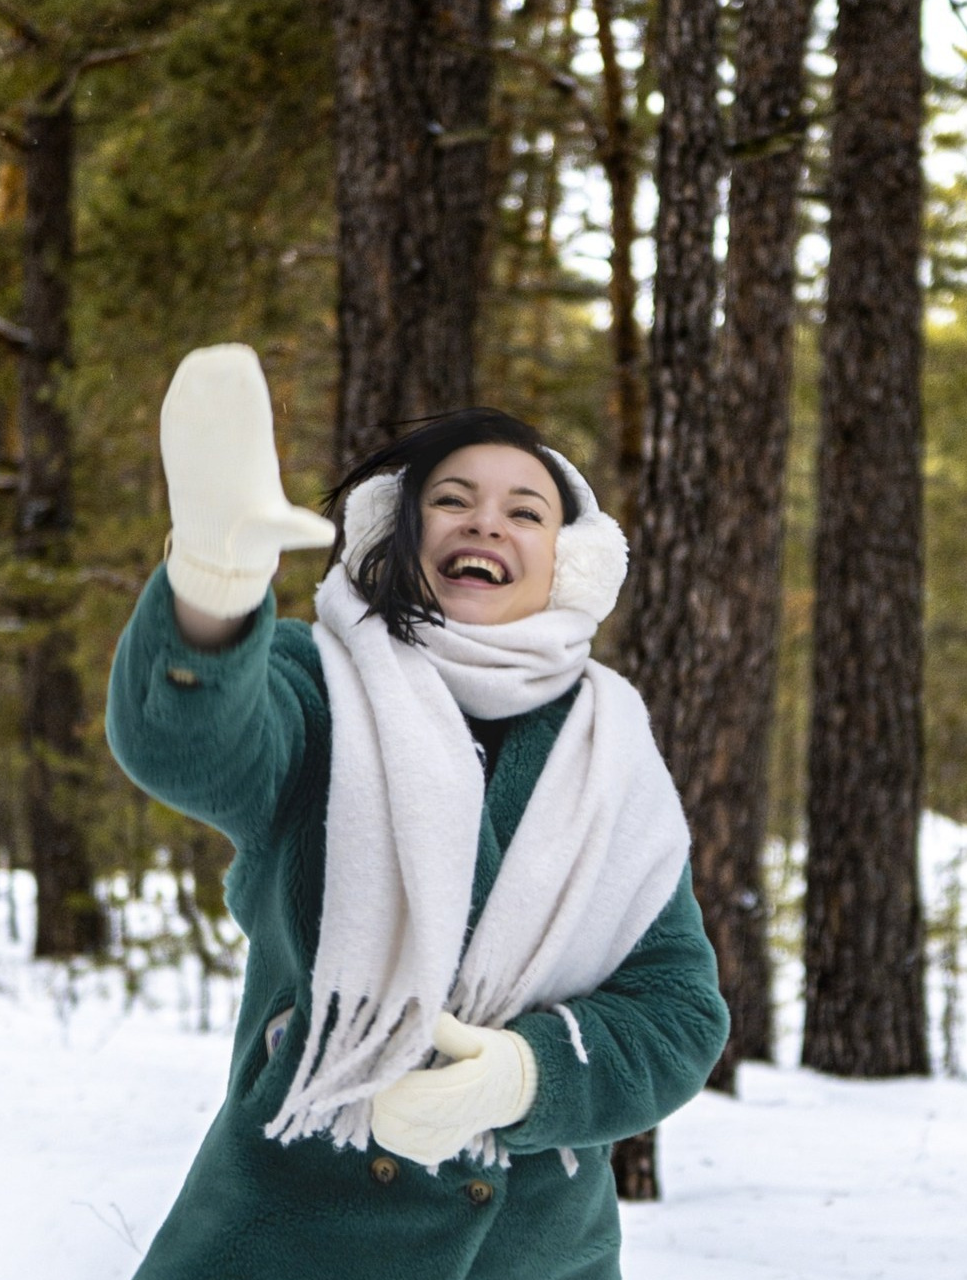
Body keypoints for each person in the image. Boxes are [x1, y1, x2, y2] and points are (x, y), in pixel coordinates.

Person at [106, 343, 729, 1280]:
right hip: (289, 1246)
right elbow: (188, 743)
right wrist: (214, 581)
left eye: (527, 511)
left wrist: (527, 1077)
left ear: (570, 565)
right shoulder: (320, 685)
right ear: (396, 534)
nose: (487, 522)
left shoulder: (611, 757)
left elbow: (679, 1011)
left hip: (539, 1256)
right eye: (451, 499)